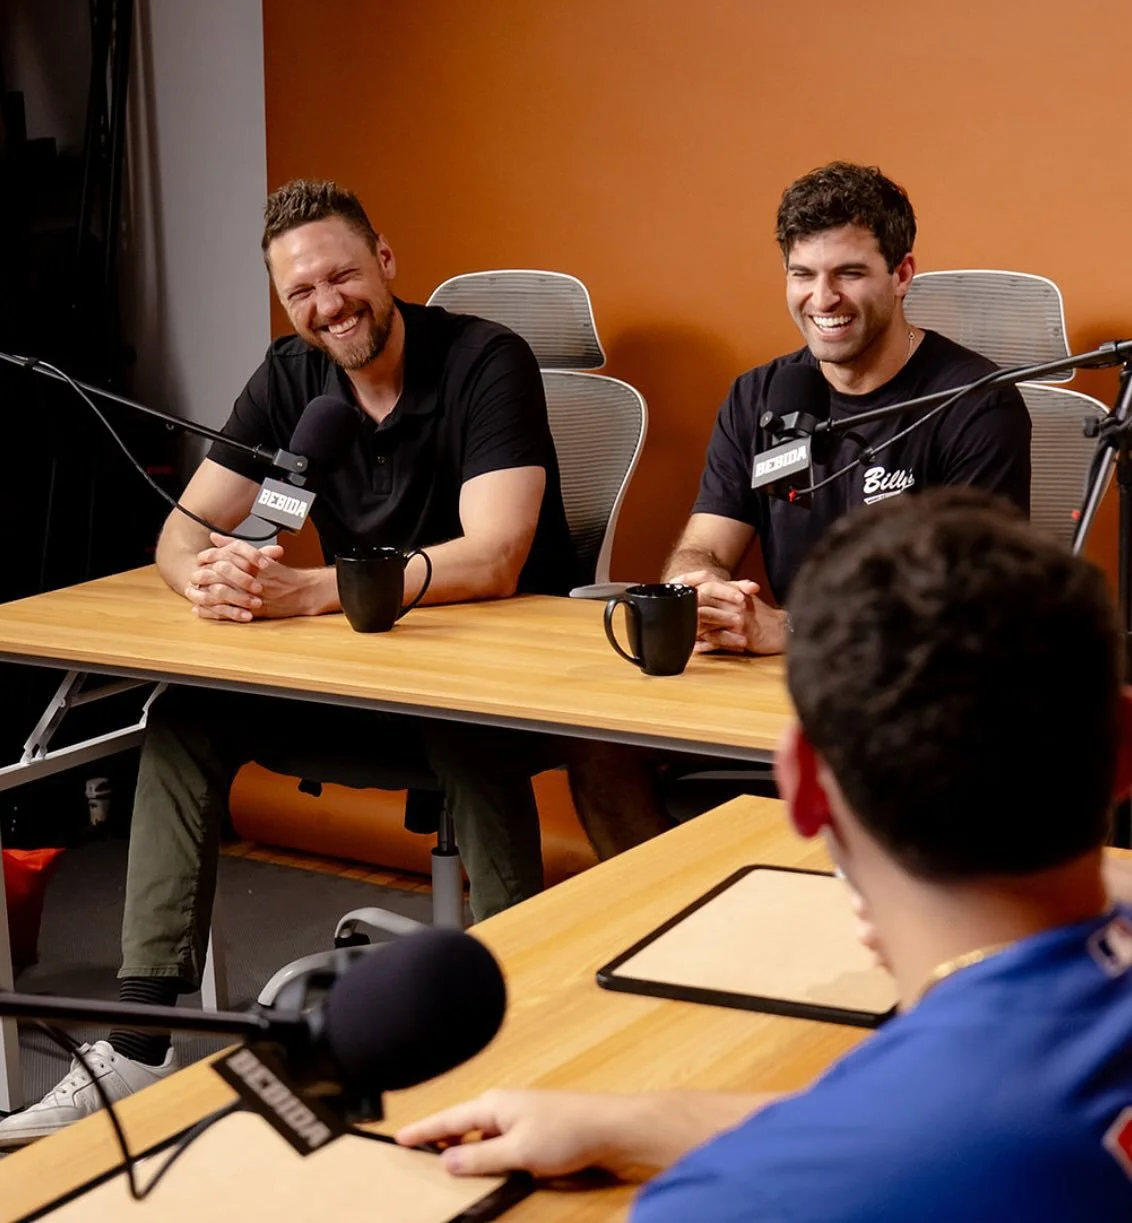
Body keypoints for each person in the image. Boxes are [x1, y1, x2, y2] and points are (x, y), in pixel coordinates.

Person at [0, 178, 579, 1145]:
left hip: (486, 690)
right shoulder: (291, 376)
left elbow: (497, 551)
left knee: (468, 739)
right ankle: (143, 1041)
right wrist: (206, 580)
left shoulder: (486, 361)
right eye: (301, 292)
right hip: (366, 681)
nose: (328, 305)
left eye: (342, 276)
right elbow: (183, 529)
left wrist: (314, 592)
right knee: (185, 719)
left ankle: (526, 1028)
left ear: (385, 261)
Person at [396, 488, 1132, 1221]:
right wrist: (639, 1122)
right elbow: (935, 1126)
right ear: (1124, 750)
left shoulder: (738, 1202)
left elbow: (911, 1137)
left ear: (804, 786)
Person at [665, 160, 1031, 653]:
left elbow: (972, 604)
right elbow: (704, 545)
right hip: (795, 674)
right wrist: (700, 590)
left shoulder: (977, 404)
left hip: (924, 676)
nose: (822, 298)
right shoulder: (759, 396)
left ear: (901, 274)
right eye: (803, 275)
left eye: (849, 273)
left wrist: (792, 629)